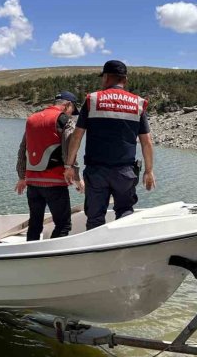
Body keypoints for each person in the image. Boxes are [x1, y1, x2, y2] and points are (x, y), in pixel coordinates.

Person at [63, 60, 156, 230]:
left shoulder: (92, 100)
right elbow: (146, 142)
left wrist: (69, 165)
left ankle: (95, 253)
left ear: (106, 78)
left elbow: (77, 137)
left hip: (96, 172)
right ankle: (122, 252)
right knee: (125, 213)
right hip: (125, 172)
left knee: (95, 217)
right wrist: (149, 171)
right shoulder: (138, 103)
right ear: (125, 80)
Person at [15, 92, 84, 241]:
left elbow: (22, 150)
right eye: (72, 111)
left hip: (33, 183)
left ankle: (30, 254)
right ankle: (53, 258)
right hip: (55, 183)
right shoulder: (64, 120)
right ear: (67, 105)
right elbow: (69, 150)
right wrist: (77, 178)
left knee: (35, 224)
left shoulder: (32, 119)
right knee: (63, 225)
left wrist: (22, 177)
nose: (72, 115)